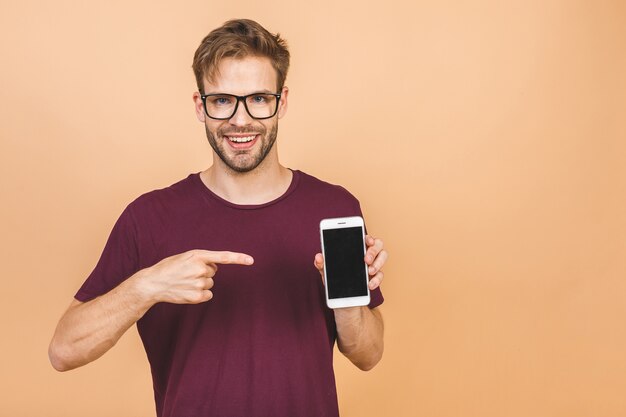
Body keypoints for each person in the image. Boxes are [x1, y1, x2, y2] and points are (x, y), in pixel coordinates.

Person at [49, 18, 388, 417]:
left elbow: (369, 355)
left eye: (259, 98)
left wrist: (345, 303)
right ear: (200, 106)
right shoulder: (148, 217)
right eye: (223, 100)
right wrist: (146, 286)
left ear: (282, 102)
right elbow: (63, 351)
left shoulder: (334, 207)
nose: (241, 120)